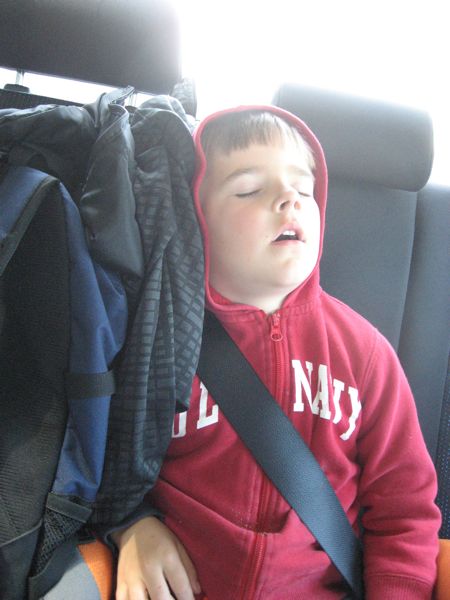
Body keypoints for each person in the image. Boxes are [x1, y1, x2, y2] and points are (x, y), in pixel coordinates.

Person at [112, 106, 441, 599]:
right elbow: (105, 464)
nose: (289, 199)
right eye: (249, 189)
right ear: (197, 217)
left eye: (303, 190)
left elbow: (404, 508)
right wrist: (130, 524)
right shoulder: (159, 337)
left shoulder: (365, 354)